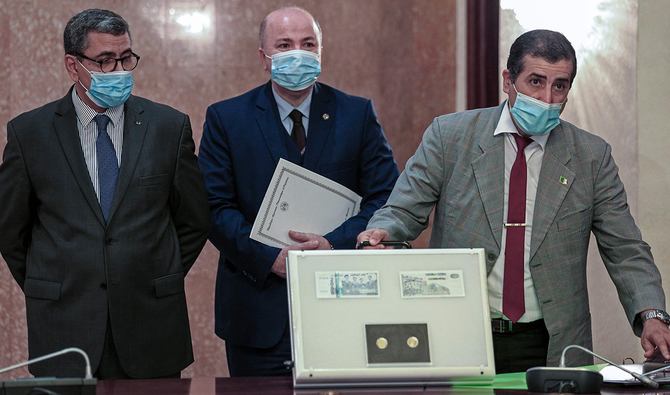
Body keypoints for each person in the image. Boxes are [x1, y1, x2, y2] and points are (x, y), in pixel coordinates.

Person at [358, 29, 670, 373]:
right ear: (509, 80)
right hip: (460, 334)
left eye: (560, 86)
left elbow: (626, 248)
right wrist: (381, 233)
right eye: (536, 81)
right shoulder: (451, 137)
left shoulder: (591, 157)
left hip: (552, 344)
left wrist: (652, 314)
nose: (548, 98)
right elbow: (402, 209)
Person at [0, 9, 211, 379]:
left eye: (126, 58)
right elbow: (10, 229)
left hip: (151, 323)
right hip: (65, 324)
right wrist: (51, 282)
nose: (119, 71)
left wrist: (156, 271)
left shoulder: (168, 127)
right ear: (73, 65)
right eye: (105, 61)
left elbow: (194, 219)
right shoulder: (29, 133)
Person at [198, 6, 399, 377]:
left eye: (308, 44)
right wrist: (270, 257)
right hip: (256, 314)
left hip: (344, 307)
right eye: (285, 44)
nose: (298, 53)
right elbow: (214, 207)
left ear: (320, 52)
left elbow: (385, 197)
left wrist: (332, 245)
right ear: (264, 57)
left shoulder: (357, 114)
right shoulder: (227, 119)